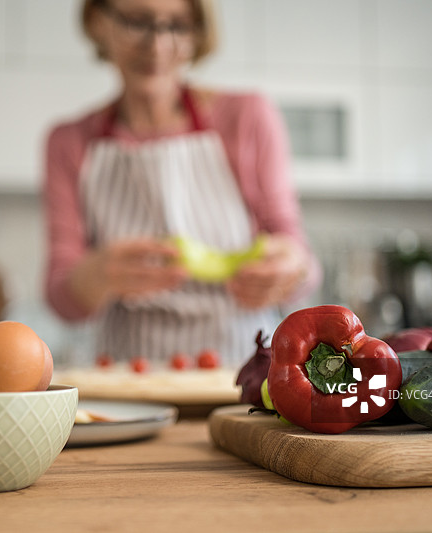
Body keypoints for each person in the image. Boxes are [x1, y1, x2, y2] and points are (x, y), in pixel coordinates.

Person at [43, 0, 321, 367]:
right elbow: (61, 298)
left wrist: (291, 268)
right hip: (128, 379)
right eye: (137, 22)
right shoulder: (70, 142)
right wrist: (99, 272)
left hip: (239, 375)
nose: (157, 46)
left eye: (177, 26)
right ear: (98, 21)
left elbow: (302, 259)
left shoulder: (247, 116)